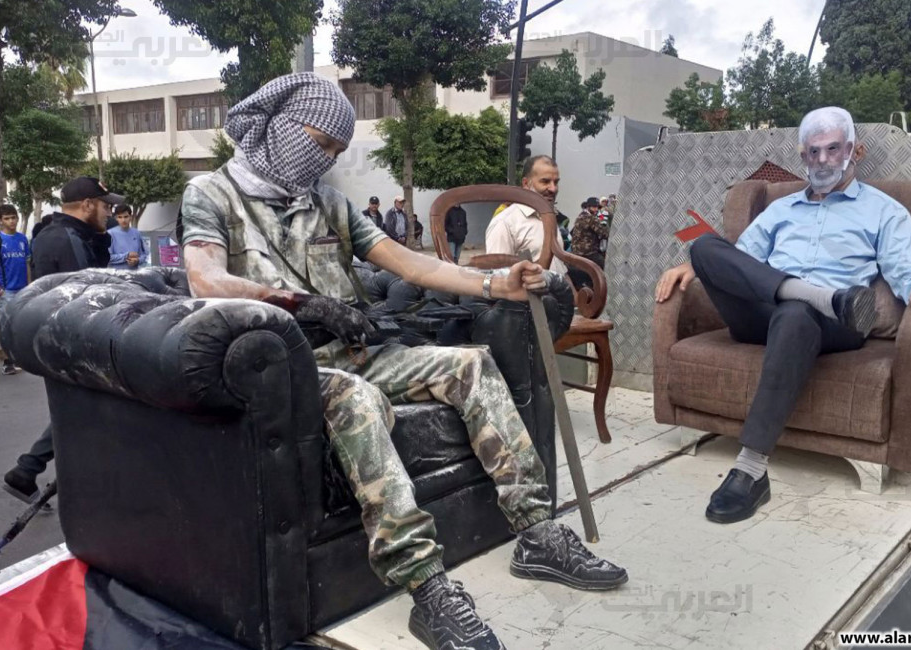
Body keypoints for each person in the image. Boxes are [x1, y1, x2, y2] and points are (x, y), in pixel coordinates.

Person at [179, 73, 626, 650]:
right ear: (282, 128)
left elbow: (413, 265)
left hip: (358, 351)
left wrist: (496, 283)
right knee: (355, 399)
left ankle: (537, 531)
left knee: (470, 364)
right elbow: (204, 279)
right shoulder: (212, 195)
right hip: (293, 370)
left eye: (337, 153)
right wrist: (299, 303)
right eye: (321, 145)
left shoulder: (329, 203)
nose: (325, 162)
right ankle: (428, 587)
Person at [655, 106, 911, 524]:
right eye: (813, 153)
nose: (823, 161)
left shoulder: (884, 211)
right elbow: (741, 261)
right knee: (704, 247)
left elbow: (908, 269)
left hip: (840, 322)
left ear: (855, 151)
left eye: (833, 150)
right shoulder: (781, 209)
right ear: (803, 156)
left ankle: (750, 468)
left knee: (796, 314)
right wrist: (699, 266)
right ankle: (813, 295)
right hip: (771, 313)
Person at [2, 177, 121, 505]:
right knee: (94, 410)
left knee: (81, 412)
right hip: (74, 340)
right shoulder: (68, 238)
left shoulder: (55, 233)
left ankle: (28, 471)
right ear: (87, 205)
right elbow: (89, 295)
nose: (109, 212)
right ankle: (35, 472)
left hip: (55, 335)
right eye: (105, 205)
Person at [485, 156, 569, 275]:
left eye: (556, 182)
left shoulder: (549, 218)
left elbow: (560, 268)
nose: (553, 189)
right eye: (545, 181)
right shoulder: (505, 223)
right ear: (526, 183)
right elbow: (498, 279)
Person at [0, 204, 32, 375]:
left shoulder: (22, 239)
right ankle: (7, 362)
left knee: (20, 325)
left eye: (13, 217)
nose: (11, 221)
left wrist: (29, 285)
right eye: (7, 218)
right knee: (5, 327)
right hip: (5, 291)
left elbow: (26, 264)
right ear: (0, 220)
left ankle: (18, 358)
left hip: (22, 290)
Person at [108, 204, 147, 269]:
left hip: (134, 275)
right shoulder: (110, 234)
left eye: (126, 217)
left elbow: (144, 254)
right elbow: (107, 257)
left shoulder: (136, 233)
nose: (123, 220)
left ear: (130, 217)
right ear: (116, 218)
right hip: (116, 276)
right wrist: (127, 255)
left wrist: (138, 261)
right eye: (120, 217)